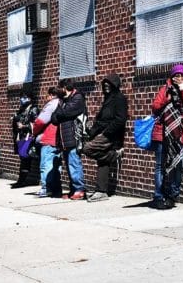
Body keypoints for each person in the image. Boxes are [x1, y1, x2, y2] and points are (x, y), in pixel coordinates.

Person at [149, 64, 183, 209]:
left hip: (179, 133)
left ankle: (173, 195)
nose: (179, 78)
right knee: (160, 166)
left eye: (182, 75)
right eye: (176, 75)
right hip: (162, 132)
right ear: (172, 76)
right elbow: (155, 106)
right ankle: (158, 196)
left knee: (178, 165)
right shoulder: (165, 89)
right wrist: (166, 99)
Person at [82, 74, 128, 202]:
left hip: (110, 135)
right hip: (102, 133)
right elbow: (101, 120)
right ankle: (101, 191)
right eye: (105, 85)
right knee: (103, 161)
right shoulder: (107, 99)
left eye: (109, 85)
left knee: (86, 149)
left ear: (115, 86)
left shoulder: (119, 99)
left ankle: (114, 154)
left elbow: (120, 120)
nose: (106, 87)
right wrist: (91, 132)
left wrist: (106, 133)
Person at [51, 80, 87, 200]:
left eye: (60, 88)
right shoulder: (63, 101)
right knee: (69, 164)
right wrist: (60, 112)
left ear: (65, 87)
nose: (58, 90)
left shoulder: (78, 98)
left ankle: (79, 190)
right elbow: (54, 118)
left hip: (73, 136)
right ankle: (73, 190)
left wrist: (61, 112)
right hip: (63, 138)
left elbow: (66, 112)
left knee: (74, 163)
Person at [33, 87, 61, 198]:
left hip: (48, 138)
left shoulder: (51, 104)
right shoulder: (63, 103)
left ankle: (46, 188)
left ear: (51, 95)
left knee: (46, 165)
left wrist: (34, 132)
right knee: (56, 165)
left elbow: (40, 121)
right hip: (59, 139)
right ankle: (55, 188)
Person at [10, 93, 39, 188]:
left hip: (29, 139)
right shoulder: (21, 110)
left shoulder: (33, 109)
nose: (22, 99)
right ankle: (22, 180)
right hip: (22, 138)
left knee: (26, 160)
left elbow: (36, 124)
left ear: (30, 99)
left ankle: (22, 181)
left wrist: (24, 126)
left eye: (25, 97)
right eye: (21, 97)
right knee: (23, 159)